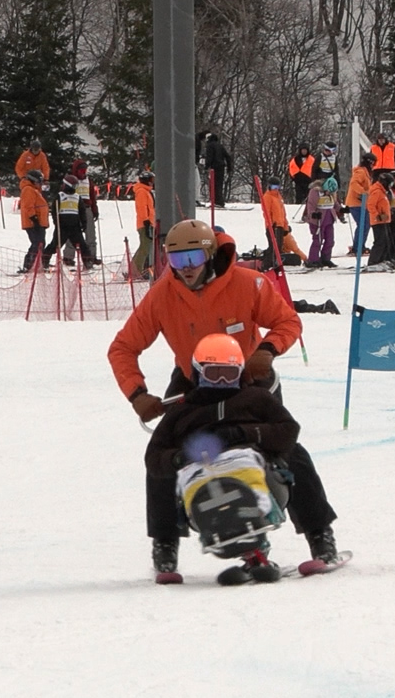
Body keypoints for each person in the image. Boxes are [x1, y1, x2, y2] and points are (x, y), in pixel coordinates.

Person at [108, 218, 342, 580]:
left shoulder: (248, 283)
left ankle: (319, 536)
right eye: (176, 261)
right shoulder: (162, 295)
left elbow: (288, 322)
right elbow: (123, 348)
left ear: (210, 254)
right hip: (192, 382)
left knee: (289, 452)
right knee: (162, 456)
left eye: (193, 259)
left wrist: (266, 351)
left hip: (246, 379)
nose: (185, 270)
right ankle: (166, 545)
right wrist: (137, 394)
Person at [143, 333, 304, 585]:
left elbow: (289, 430)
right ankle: (166, 544)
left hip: (256, 473)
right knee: (162, 478)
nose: (219, 381)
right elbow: (154, 456)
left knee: (297, 457)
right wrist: (179, 458)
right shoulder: (183, 412)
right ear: (198, 374)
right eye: (212, 373)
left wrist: (245, 433)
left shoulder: (255, 399)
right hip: (202, 475)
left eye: (227, 375)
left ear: (239, 373)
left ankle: (309, 536)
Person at [55, 175, 97, 268]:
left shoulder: (86, 182)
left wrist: (93, 210)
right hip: (64, 222)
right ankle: (65, 257)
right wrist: (56, 222)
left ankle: (89, 260)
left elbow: (92, 196)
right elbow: (55, 210)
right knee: (57, 243)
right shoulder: (62, 194)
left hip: (76, 221)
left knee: (85, 241)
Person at [260, 182, 304, 266]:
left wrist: (285, 227)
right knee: (274, 247)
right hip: (273, 226)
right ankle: (266, 264)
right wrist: (270, 225)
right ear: (269, 186)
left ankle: (275, 263)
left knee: (278, 247)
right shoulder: (267, 197)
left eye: (277, 186)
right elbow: (266, 213)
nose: (276, 188)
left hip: (280, 226)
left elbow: (283, 214)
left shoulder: (278, 197)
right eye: (273, 186)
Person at [18, 168, 49, 272]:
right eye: (38, 181)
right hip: (33, 223)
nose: (40, 184)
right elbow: (28, 206)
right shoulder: (28, 189)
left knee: (40, 243)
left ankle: (36, 263)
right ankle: (29, 264)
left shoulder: (34, 190)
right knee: (37, 243)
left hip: (38, 222)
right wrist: (34, 218)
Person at [365, 171, 395, 269]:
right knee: (380, 241)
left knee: (385, 241)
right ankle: (373, 261)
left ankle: (382, 260)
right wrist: (377, 215)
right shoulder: (377, 191)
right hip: (377, 221)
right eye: (390, 183)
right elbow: (370, 205)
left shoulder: (383, 191)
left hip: (384, 220)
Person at [305, 175, 338, 268]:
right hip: (318, 221)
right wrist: (313, 214)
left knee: (330, 240)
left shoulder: (331, 194)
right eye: (328, 191)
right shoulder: (315, 192)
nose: (329, 193)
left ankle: (325, 258)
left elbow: (334, 204)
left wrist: (342, 210)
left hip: (329, 219)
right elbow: (310, 205)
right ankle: (313, 259)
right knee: (318, 240)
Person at [344, 152, 373, 256]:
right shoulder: (361, 172)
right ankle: (357, 247)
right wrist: (363, 192)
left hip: (360, 203)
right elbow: (354, 183)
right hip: (356, 203)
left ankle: (359, 245)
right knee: (363, 224)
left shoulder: (364, 172)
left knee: (364, 224)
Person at [131, 169, 157, 279]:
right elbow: (142, 208)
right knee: (145, 247)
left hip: (149, 223)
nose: (153, 182)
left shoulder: (146, 191)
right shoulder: (142, 191)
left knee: (145, 247)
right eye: (151, 180)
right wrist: (146, 222)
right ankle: (136, 272)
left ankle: (135, 270)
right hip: (145, 224)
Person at [199, 131, 232, 207]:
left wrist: (206, 167)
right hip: (221, 167)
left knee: (213, 184)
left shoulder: (210, 146)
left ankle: (216, 201)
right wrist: (229, 168)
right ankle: (220, 201)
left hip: (214, 168)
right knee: (219, 184)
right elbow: (228, 156)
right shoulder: (220, 146)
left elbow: (209, 157)